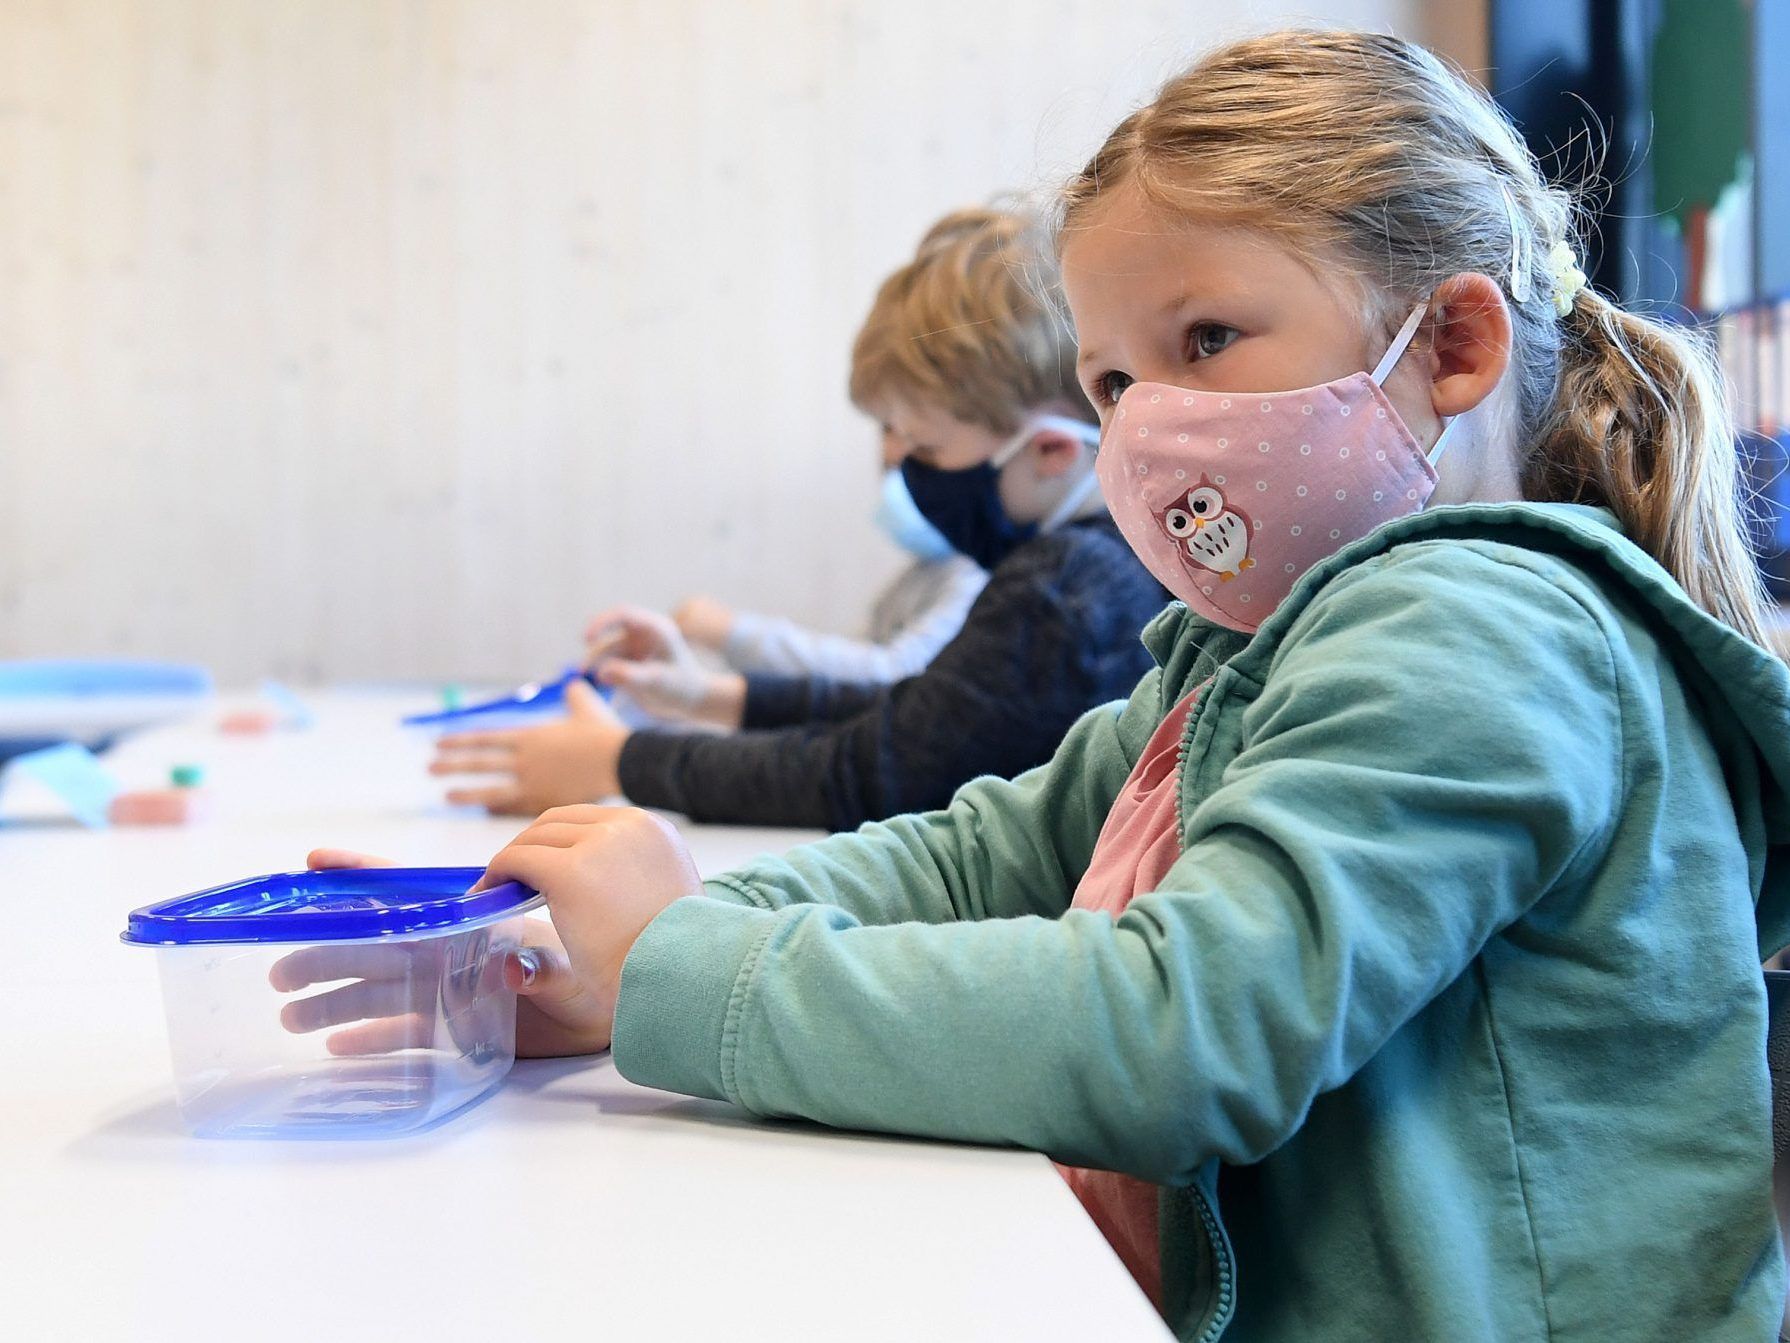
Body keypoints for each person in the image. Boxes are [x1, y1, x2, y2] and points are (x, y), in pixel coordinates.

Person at [299, 31, 1790, 1338]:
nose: (1146, 422)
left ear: (1451, 344)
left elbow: (1186, 1029)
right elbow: (985, 853)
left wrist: (680, 966)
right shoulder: (1252, 643)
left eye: (1204, 338)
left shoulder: (1482, 626)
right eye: (1113, 381)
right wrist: (628, 953)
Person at [428, 208, 1168, 831]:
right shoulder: (1096, 564)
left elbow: (869, 773)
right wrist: (710, 698)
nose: (906, 470)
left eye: (926, 448)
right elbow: (924, 713)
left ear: (1049, 450)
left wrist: (620, 761)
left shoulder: (1065, 587)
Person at [664, 466, 989, 686]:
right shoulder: (922, 572)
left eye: (922, 456)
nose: (896, 487)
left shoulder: (976, 576)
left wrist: (735, 634)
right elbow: (848, 671)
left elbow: (897, 676)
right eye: (889, 469)